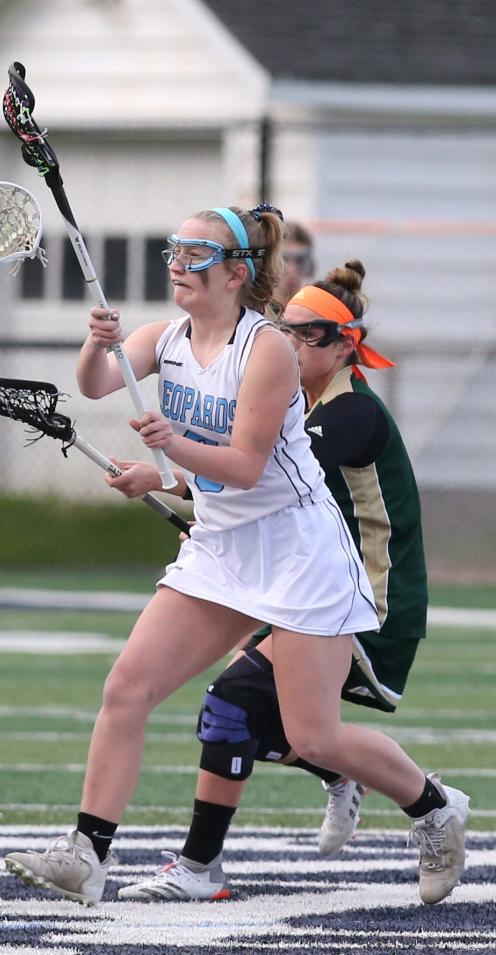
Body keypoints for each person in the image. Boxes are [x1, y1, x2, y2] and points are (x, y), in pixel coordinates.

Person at [3, 205, 469, 907]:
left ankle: (433, 808)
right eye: (174, 249)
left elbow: (247, 465)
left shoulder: (269, 349)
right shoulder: (165, 338)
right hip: (221, 549)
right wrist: (95, 345)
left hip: (298, 551)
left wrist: (167, 446)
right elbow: (96, 383)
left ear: (236, 272)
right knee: (127, 686)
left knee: (314, 733)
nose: (176, 263)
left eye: (194, 252)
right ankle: (86, 853)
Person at [110, 260, 430, 901]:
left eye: (307, 334)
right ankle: (326, 788)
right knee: (252, 722)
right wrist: (179, 493)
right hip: (291, 580)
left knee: (236, 705)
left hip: (363, 594)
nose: (287, 341)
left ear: (346, 346)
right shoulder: (291, 397)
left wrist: (188, 490)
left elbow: (262, 475)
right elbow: (243, 481)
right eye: (285, 327)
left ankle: (429, 804)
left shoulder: (350, 414)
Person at [277, 221, 316, 305]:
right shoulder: (254, 310)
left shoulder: (313, 307)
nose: (292, 269)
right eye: (284, 259)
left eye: (300, 260)